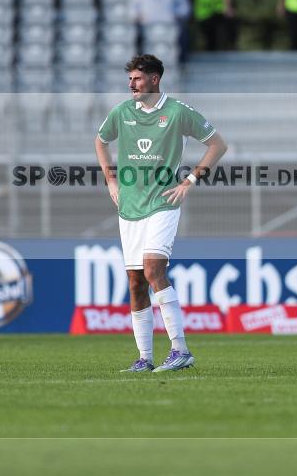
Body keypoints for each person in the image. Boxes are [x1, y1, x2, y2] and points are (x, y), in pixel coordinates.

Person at [94, 54, 227, 372]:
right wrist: (111, 180)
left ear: (154, 79)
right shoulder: (122, 112)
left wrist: (190, 180)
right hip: (129, 206)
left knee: (154, 271)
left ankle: (181, 351)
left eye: (137, 79)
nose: (131, 85)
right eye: (129, 79)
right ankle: (144, 358)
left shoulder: (178, 112)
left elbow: (217, 145)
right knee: (136, 281)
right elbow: (100, 141)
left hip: (163, 203)